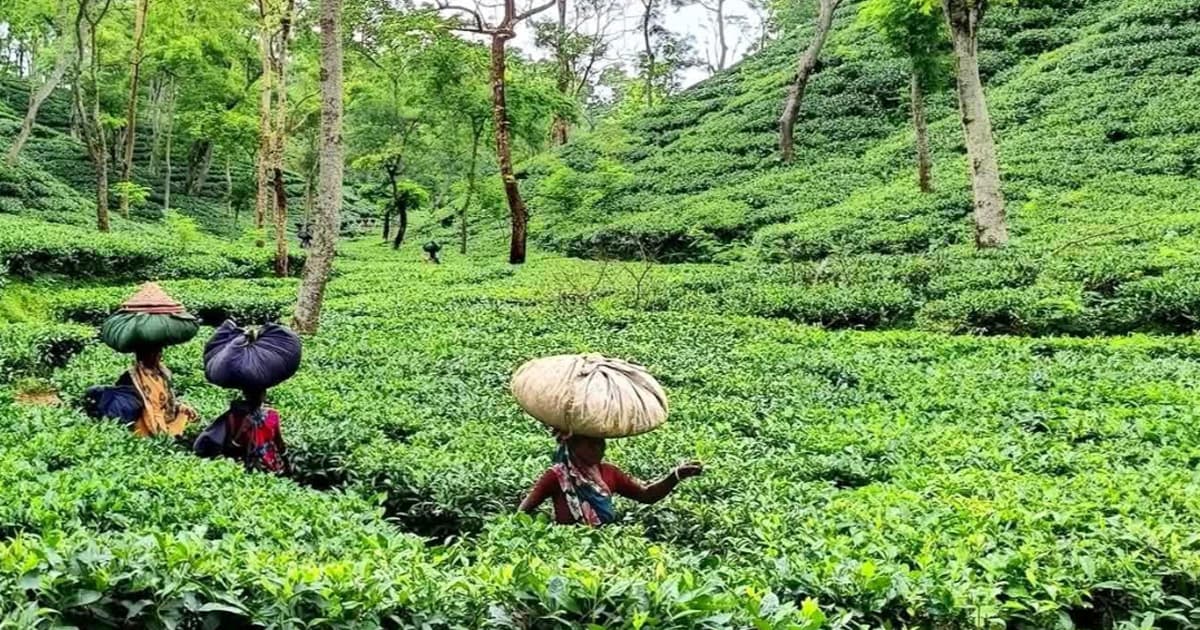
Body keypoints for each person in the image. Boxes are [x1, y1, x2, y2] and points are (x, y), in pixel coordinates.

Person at [519, 433, 702, 526]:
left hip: (605, 544)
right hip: (568, 547)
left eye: (601, 443)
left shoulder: (610, 472)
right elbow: (523, 511)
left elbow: (647, 495)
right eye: (591, 444)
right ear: (573, 445)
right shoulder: (556, 475)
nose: (599, 449)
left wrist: (676, 476)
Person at [193, 389, 288, 474]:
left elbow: (214, 439)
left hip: (239, 467)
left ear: (244, 394)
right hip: (269, 465)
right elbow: (279, 442)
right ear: (264, 395)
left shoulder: (232, 416)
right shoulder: (272, 415)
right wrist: (286, 461)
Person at [116, 347, 197, 438]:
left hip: (164, 416)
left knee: (185, 413)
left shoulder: (164, 373)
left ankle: (172, 434)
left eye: (157, 353)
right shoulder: (131, 376)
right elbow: (122, 403)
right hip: (142, 418)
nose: (155, 356)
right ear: (141, 356)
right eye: (150, 354)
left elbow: (168, 399)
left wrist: (179, 406)